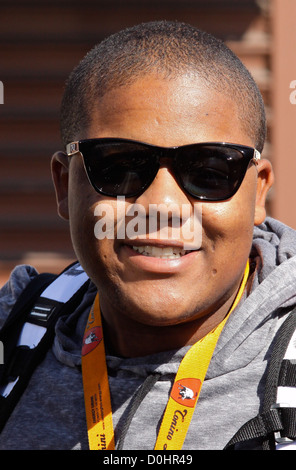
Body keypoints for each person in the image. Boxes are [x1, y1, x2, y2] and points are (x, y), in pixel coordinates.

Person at [0, 19, 295, 451]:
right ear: (64, 186)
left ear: (258, 193)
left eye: (210, 172)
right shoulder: (16, 331)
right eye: (119, 167)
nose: (162, 207)